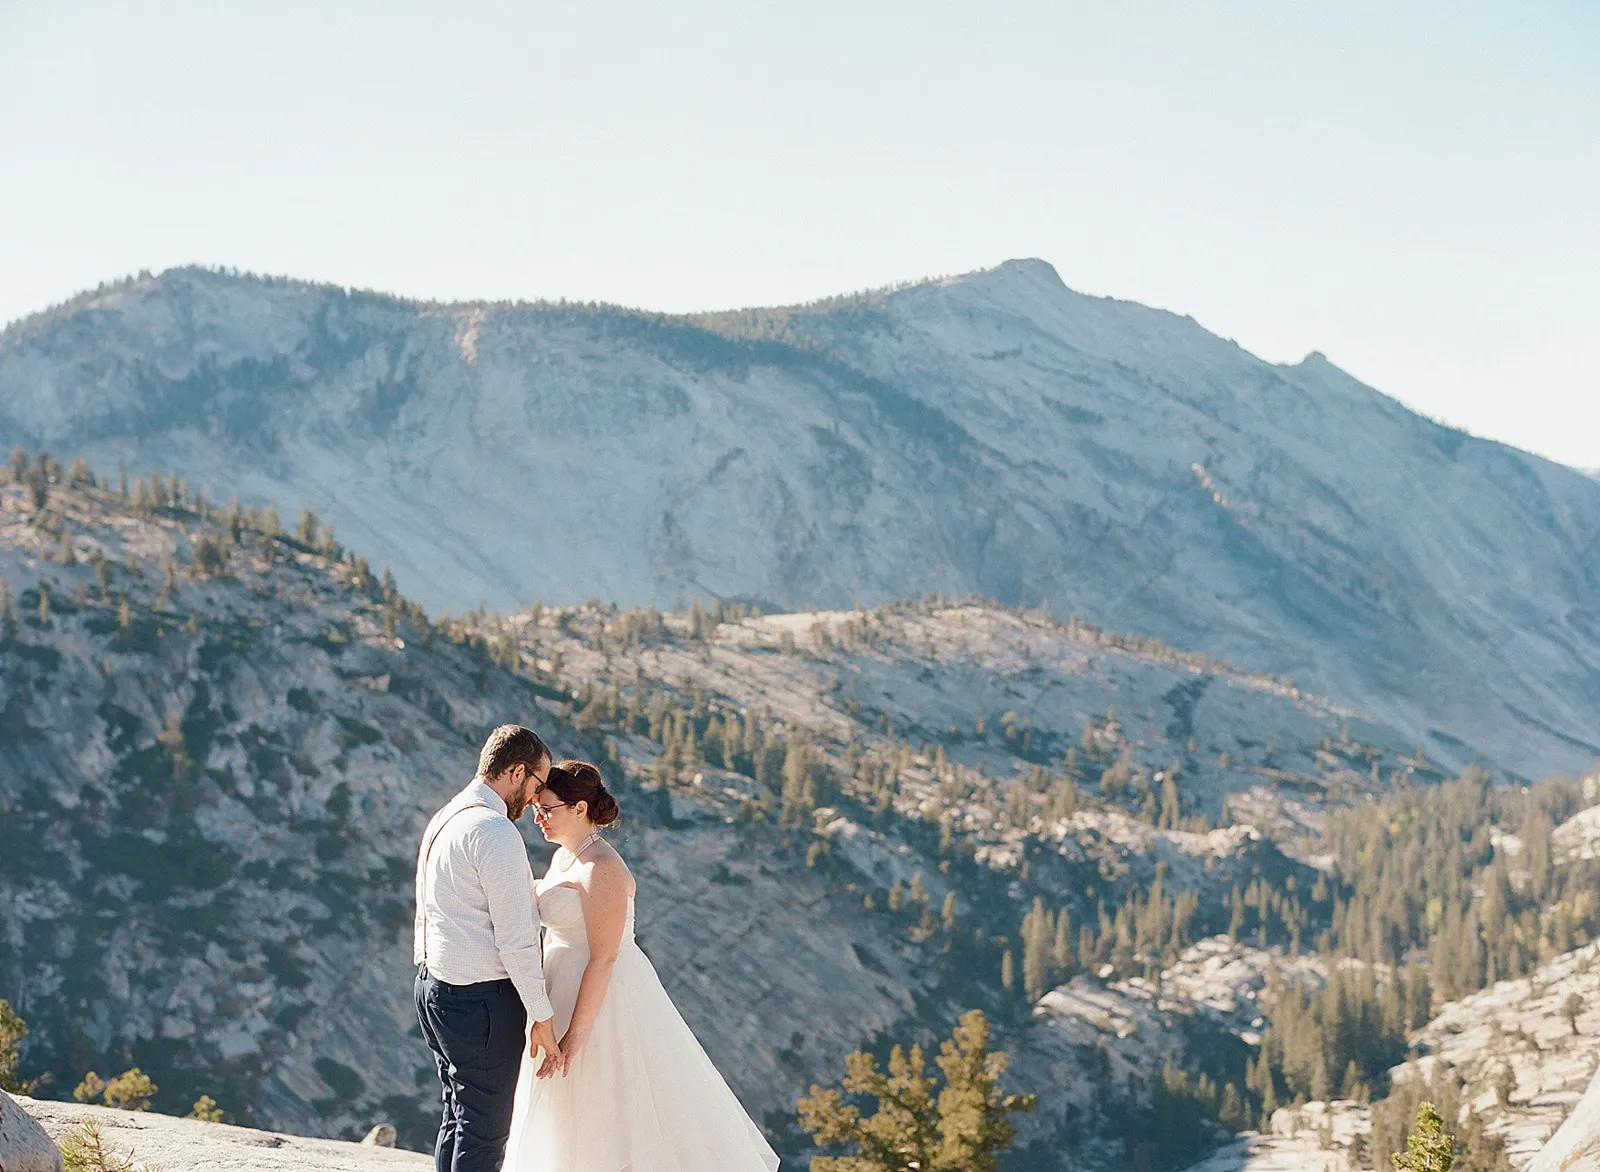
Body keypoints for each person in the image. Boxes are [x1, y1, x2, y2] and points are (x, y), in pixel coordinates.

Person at [504, 760, 780, 1172]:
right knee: (563, 1112)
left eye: (547, 808)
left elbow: (604, 957)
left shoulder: (603, 867)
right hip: (558, 989)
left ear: (579, 809)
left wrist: (577, 1034)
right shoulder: (564, 857)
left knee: (607, 1109)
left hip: (601, 1000)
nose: (538, 817)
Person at [415, 724, 564, 1172]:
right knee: (484, 1132)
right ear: (517, 772)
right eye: (538, 784)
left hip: (433, 985)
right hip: (479, 1000)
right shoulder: (495, 831)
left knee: (457, 1116)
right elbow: (516, 938)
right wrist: (541, 1013)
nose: (537, 799)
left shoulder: (449, 814)